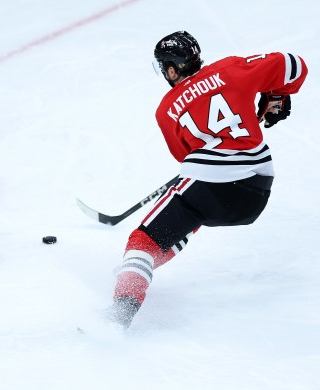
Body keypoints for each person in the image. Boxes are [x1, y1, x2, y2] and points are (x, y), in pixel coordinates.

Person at [110, 31, 308, 327]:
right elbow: (295, 65)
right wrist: (277, 93)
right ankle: (138, 270)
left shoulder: (166, 111)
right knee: (193, 210)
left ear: (172, 69)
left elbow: (186, 155)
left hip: (214, 185)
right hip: (257, 190)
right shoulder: (231, 69)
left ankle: (119, 311)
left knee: (145, 240)